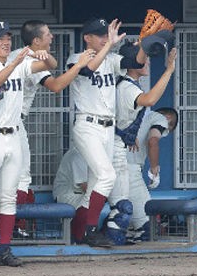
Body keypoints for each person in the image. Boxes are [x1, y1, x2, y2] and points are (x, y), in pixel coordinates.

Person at [0, 20, 55, 267]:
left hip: (14, 135)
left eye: (7, 37)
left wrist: (45, 57)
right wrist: (16, 62)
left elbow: (53, 66)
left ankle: (4, 251)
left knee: (8, 197)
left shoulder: (23, 64)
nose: (5, 42)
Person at [8, 20, 95, 238]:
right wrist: (78, 65)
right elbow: (56, 86)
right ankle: (16, 228)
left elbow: (52, 64)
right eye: (47, 34)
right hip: (11, 124)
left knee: (6, 179)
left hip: (1, 122)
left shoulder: (18, 54)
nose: (52, 37)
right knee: (21, 178)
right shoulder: (29, 57)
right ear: (36, 40)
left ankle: (12, 228)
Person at [67, 18, 147, 247]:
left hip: (108, 129)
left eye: (107, 34)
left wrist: (144, 45)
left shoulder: (111, 59)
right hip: (87, 125)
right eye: (100, 35)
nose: (105, 38)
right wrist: (109, 46)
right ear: (87, 38)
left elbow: (136, 62)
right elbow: (87, 71)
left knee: (94, 187)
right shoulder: (76, 58)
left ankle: (78, 234)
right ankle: (91, 231)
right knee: (107, 176)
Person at [104, 38, 177, 245]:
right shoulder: (126, 86)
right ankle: (106, 249)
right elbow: (150, 100)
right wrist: (169, 70)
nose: (145, 63)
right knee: (123, 211)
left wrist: (129, 132)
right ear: (130, 64)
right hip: (118, 156)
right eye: (141, 60)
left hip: (114, 150)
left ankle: (110, 241)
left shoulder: (123, 83)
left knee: (130, 215)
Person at [126, 107, 178, 242]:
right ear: (168, 119)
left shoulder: (131, 113)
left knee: (122, 212)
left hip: (108, 164)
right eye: (170, 125)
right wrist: (154, 168)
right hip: (129, 167)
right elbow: (152, 141)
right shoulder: (158, 118)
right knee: (147, 220)